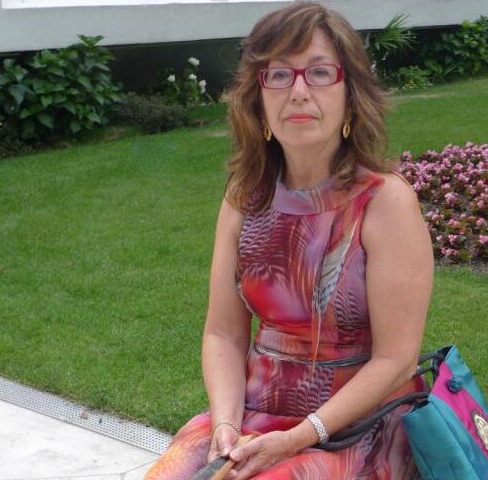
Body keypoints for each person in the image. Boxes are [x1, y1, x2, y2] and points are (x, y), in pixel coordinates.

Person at [144, 2, 433, 479]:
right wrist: (225, 426)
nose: (298, 91)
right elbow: (223, 333)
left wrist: (299, 437)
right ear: (258, 100)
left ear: (350, 96)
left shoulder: (385, 202)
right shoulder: (245, 199)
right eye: (279, 75)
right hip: (256, 412)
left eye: (319, 73)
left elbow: (396, 360)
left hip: (357, 425)